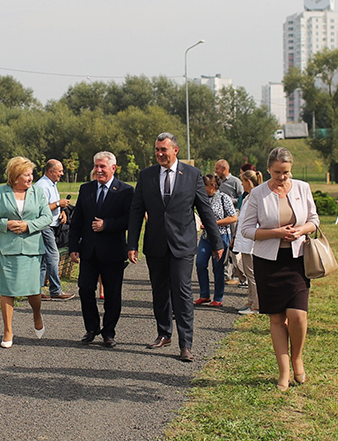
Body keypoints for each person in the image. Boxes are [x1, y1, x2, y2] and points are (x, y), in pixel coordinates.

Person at [128, 132, 223, 363]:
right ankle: (164, 333)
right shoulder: (146, 175)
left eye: (164, 150)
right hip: (155, 244)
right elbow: (136, 211)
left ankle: (185, 344)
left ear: (175, 150)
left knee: (182, 293)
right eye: (157, 150)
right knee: (159, 292)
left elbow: (204, 210)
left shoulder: (192, 175)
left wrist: (216, 241)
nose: (160, 154)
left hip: (182, 244)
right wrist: (131, 243)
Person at [239, 147, 319, 391]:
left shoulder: (303, 188)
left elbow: (314, 221)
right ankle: (284, 372)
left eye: (286, 172)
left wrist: (301, 230)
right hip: (268, 262)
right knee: (276, 318)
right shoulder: (258, 194)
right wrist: (276, 233)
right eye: (277, 172)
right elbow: (246, 230)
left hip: (297, 260)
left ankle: (297, 358)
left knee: (298, 315)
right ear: (268, 170)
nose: (282, 177)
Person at [0, 157, 53, 348]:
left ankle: (37, 314)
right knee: (7, 290)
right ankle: (8, 331)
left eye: (31, 174)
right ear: (15, 177)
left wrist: (28, 225)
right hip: (8, 249)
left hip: (32, 248)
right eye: (27, 174)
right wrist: (5, 224)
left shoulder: (38, 192)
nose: (31, 178)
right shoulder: (0, 193)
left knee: (33, 291)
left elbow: (47, 217)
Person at [69, 152, 134, 348]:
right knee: (85, 289)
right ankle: (92, 328)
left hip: (113, 252)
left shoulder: (125, 191)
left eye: (102, 167)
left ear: (113, 168)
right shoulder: (86, 189)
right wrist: (73, 246)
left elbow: (129, 220)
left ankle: (108, 332)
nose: (98, 170)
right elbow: (77, 220)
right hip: (89, 251)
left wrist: (107, 224)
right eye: (96, 166)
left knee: (113, 295)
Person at [194, 174, 237, 307]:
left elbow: (233, 217)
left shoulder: (224, 198)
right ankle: (204, 295)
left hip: (221, 236)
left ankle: (218, 298)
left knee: (218, 268)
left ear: (212, 186)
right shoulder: (202, 197)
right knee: (200, 264)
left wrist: (214, 223)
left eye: (204, 185)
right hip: (206, 237)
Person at [35, 159, 74, 301]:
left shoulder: (52, 184)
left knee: (45, 259)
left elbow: (54, 206)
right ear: (51, 171)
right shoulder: (42, 186)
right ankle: (55, 290)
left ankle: (36, 291)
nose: (62, 174)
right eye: (60, 171)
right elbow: (39, 208)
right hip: (45, 226)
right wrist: (58, 203)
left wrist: (62, 211)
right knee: (53, 256)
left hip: (52, 225)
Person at [234, 169, 264, 315]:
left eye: (242, 181)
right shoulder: (249, 197)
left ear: (247, 181)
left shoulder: (257, 197)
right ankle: (251, 301)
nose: (241, 184)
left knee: (252, 275)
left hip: (251, 243)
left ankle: (256, 305)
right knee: (248, 273)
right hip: (244, 242)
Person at [214, 159, 244, 285]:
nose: (215, 171)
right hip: (220, 217)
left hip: (232, 216)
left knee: (233, 244)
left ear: (224, 169)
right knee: (223, 244)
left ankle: (237, 274)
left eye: (217, 169)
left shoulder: (235, 182)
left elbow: (242, 197)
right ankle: (225, 274)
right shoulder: (217, 181)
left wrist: (228, 201)